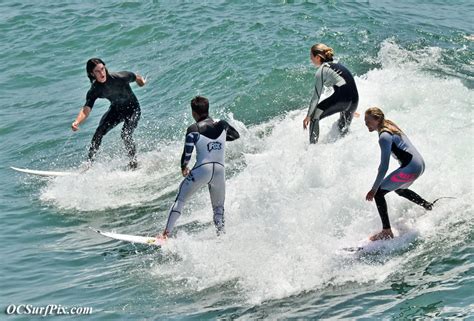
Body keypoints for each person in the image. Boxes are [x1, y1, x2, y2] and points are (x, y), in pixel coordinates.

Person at [157, 96, 240, 240]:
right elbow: (235, 135)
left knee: (181, 199)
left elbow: (187, 152)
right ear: (207, 109)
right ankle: (221, 236)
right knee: (218, 208)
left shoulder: (193, 129)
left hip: (202, 169)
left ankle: (165, 234)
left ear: (193, 113)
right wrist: (220, 138)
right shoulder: (222, 123)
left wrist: (184, 167)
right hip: (220, 171)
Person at [364, 107, 434, 241]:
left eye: (368, 121)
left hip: (411, 168)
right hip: (419, 165)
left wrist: (373, 189)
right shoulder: (390, 125)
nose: (366, 124)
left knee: (379, 193)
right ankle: (428, 206)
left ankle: (386, 231)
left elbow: (384, 166)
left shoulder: (384, 137)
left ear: (377, 119)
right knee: (399, 189)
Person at [71, 58, 146, 169]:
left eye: (102, 69)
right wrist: (77, 121)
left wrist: (142, 83)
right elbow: (86, 108)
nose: (102, 73)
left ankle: (133, 163)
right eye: (97, 71)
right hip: (116, 110)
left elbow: (136, 77)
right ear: (92, 73)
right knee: (98, 132)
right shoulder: (95, 90)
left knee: (125, 134)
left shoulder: (120, 77)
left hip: (133, 109)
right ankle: (88, 165)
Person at [303, 43, 359, 144]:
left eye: (311, 56)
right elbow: (347, 85)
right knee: (342, 130)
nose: (310, 59)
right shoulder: (337, 65)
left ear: (318, 57)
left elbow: (316, 97)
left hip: (344, 100)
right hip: (354, 101)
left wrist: (308, 116)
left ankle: (312, 149)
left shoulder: (322, 71)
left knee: (315, 116)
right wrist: (349, 107)